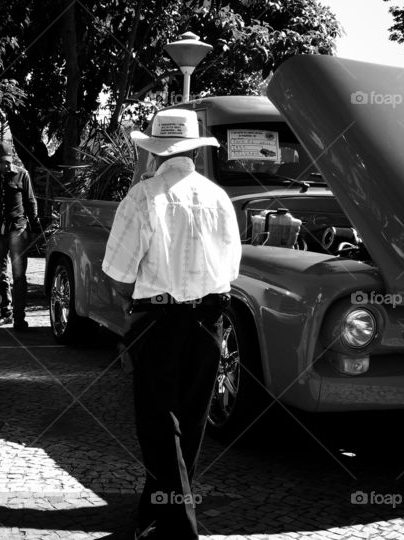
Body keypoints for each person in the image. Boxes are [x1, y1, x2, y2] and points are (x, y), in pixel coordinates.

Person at [103, 108, 241, 539]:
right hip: (211, 317)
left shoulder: (143, 197)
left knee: (158, 422)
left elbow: (118, 274)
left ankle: (178, 527)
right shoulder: (218, 197)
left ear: (155, 153)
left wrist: (136, 303)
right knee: (192, 417)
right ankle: (154, 505)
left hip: (160, 320)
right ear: (196, 150)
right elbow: (231, 266)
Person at [0, 142, 40, 330]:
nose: (5, 165)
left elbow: (30, 202)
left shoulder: (22, 174)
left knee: (19, 274)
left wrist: (35, 228)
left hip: (18, 229)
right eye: (1, 162)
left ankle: (20, 317)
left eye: (7, 161)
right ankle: (6, 313)